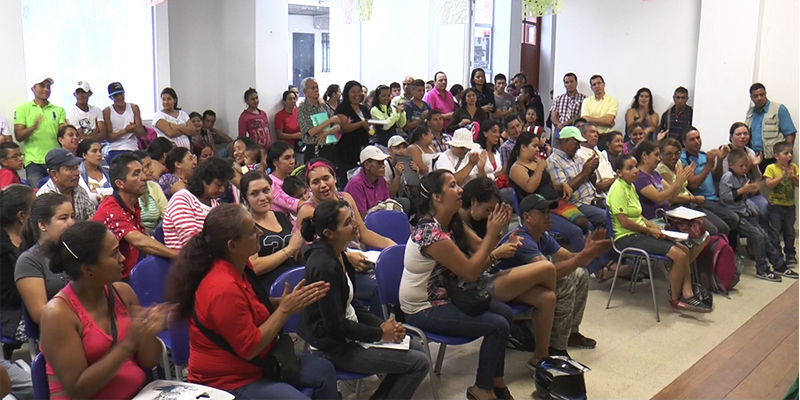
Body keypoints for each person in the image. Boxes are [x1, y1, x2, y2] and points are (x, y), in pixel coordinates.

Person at [401, 170, 557, 400]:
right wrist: (494, 238)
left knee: (504, 313)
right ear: (437, 197)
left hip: (450, 296)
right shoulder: (429, 234)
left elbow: (482, 249)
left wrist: (499, 235)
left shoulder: (451, 222)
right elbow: (471, 271)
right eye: (453, 185)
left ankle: (496, 380)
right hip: (424, 308)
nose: (460, 189)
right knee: (497, 326)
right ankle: (482, 390)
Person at [165, 204, 337, 399]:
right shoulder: (221, 287)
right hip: (227, 382)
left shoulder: (240, 263)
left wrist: (287, 301)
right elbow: (249, 348)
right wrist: (284, 311)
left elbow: (252, 305)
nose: (260, 233)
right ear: (232, 245)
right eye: (252, 232)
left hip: (258, 364)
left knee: (324, 370)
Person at [298, 200, 430, 400]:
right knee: (419, 362)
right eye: (347, 223)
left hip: (347, 335)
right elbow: (335, 326)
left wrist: (384, 327)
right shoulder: (325, 267)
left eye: (352, 218)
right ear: (329, 234)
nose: (355, 224)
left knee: (417, 347)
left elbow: (351, 303)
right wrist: (379, 333)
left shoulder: (339, 254)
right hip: (334, 348)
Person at [39, 221, 169, 399]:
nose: (122, 258)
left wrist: (148, 332)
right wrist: (129, 342)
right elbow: (78, 389)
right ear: (88, 269)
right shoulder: (58, 314)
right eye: (114, 254)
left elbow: (148, 360)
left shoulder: (123, 293)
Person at [496, 194, 611, 355]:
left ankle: (570, 332)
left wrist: (590, 252)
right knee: (566, 282)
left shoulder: (542, 237)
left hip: (526, 289)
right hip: (505, 295)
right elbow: (548, 273)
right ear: (527, 217)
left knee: (580, 274)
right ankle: (556, 347)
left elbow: (575, 260)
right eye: (542, 212)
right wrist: (582, 256)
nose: (549, 216)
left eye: (549, 211)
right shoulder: (522, 239)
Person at [608, 154, 711, 312]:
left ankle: (687, 292)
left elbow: (637, 215)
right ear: (619, 172)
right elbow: (625, 222)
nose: (635, 171)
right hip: (627, 237)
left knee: (684, 249)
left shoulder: (630, 185)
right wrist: (649, 230)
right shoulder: (618, 189)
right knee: (679, 255)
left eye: (635, 166)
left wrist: (654, 227)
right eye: (630, 168)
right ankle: (675, 299)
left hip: (640, 232)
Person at [297, 159, 395, 314]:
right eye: (315, 182)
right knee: (383, 288)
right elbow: (311, 251)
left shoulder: (346, 198)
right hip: (335, 270)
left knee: (396, 275)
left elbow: (363, 233)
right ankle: (377, 331)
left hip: (362, 259)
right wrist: (347, 258)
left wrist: (392, 246)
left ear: (335, 178)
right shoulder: (309, 211)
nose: (323, 185)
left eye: (326, 178)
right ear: (309, 187)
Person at [93, 153, 177, 280]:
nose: (144, 177)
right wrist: (177, 255)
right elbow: (139, 241)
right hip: (114, 280)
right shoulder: (110, 209)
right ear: (120, 184)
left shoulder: (132, 203)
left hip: (131, 272)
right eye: (136, 174)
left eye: (142, 172)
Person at [720, 149, 794, 280]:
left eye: (745, 166)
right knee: (757, 236)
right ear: (731, 165)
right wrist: (744, 190)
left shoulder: (743, 177)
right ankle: (762, 268)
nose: (744, 169)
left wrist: (753, 189)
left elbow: (746, 194)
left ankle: (778, 264)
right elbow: (725, 197)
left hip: (745, 211)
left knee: (764, 235)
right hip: (734, 214)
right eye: (741, 166)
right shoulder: (728, 177)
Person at [14, 194, 73, 338]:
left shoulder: (76, 251)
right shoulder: (29, 261)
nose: (71, 223)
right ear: (42, 225)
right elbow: (41, 314)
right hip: (58, 333)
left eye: (72, 216)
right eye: (63, 218)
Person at [239, 171, 304, 290]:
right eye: (254, 194)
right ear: (245, 198)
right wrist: (289, 249)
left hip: (297, 283)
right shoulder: (245, 224)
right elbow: (254, 266)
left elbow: (295, 252)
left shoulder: (281, 217)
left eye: (266, 190)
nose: (263, 198)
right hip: (269, 291)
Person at [656, 139, 725, 235]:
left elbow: (684, 188)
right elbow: (673, 197)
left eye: (677, 153)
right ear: (661, 155)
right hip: (676, 206)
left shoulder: (678, 163)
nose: (674, 157)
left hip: (688, 202)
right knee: (712, 230)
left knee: (722, 226)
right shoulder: (661, 169)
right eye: (669, 154)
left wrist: (693, 199)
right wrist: (694, 199)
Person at [163, 157, 234, 250]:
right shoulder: (182, 199)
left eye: (225, 186)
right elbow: (191, 242)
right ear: (204, 180)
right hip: (187, 260)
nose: (222, 190)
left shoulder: (215, 205)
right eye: (218, 185)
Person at [546, 127, 606, 230]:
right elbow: (564, 191)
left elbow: (593, 183)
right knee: (606, 217)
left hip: (594, 197)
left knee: (618, 211)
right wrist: (584, 173)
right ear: (566, 141)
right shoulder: (553, 161)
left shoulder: (576, 157)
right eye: (576, 143)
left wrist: (592, 170)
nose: (579, 147)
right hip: (578, 203)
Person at [681, 128, 738, 235]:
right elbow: (693, 185)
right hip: (701, 200)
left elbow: (716, 178)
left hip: (715, 198)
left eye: (698, 138)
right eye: (692, 139)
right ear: (684, 143)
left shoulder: (703, 155)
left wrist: (720, 160)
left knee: (735, 218)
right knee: (731, 220)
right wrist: (709, 164)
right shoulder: (683, 159)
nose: (697, 142)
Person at [14, 76, 67, 188]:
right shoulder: (23, 109)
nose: (46, 89)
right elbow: (19, 136)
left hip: (55, 160)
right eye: (42, 86)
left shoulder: (59, 110)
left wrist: (66, 129)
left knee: (58, 193)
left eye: (48, 86)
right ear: (33, 88)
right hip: (34, 161)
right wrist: (33, 127)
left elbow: (63, 132)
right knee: (37, 195)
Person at [0, 185, 34, 342]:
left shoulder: (35, 236)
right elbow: (7, 296)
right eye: (35, 207)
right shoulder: (3, 249)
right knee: (60, 328)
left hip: (40, 302)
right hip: (12, 314)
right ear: (21, 216)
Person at [723, 122, 769, 226]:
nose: (743, 137)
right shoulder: (726, 152)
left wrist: (755, 167)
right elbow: (725, 177)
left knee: (766, 208)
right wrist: (750, 165)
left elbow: (758, 177)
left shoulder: (750, 152)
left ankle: (763, 238)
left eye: (745, 134)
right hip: (735, 194)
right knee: (754, 211)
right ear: (731, 137)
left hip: (751, 192)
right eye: (739, 134)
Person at [746, 83, 796, 171]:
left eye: (762, 95)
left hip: (774, 159)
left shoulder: (778, 109)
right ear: (751, 97)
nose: (759, 98)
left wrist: (787, 156)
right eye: (755, 96)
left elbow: (790, 134)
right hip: (755, 158)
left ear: (766, 94)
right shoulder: (751, 112)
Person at [764, 141, 799, 267]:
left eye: (791, 153)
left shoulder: (793, 167)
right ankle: (776, 256)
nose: (790, 156)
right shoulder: (771, 168)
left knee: (789, 232)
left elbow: (798, 184)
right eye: (786, 153)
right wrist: (781, 177)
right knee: (774, 232)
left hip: (790, 206)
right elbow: (768, 185)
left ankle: (790, 255)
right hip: (775, 206)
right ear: (777, 156)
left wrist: (794, 177)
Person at [38, 149, 95, 222]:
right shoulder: (44, 198)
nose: (77, 173)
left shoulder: (80, 190)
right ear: (54, 174)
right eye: (70, 169)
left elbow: (92, 216)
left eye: (76, 168)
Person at [298, 78, 342, 165]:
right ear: (305, 91)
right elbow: (311, 131)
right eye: (313, 88)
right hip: (314, 149)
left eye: (317, 87)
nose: (316, 90)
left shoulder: (323, 106)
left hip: (329, 147)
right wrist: (330, 120)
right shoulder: (303, 109)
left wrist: (327, 132)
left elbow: (338, 124)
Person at [335, 80, 372, 184]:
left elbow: (369, 123)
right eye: (353, 92)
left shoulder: (364, 108)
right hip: (346, 150)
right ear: (347, 93)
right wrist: (361, 124)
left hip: (362, 148)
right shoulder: (343, 108)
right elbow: (343, 127)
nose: (357, 94)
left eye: (359, 91)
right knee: (348, 180)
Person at [343, 146, 394, 219]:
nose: (384, 166)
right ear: (367, 165)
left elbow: (388, 204)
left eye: (383, 162)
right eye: (379, 162)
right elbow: (362, 218)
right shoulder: (356, 184)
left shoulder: (381, 180)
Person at [103, 82, 146, 163]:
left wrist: (135, 129)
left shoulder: (134, 108)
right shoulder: (107, 111)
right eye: (116, 95)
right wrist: (125, 131)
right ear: (111, 97)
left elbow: (141, 133)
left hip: (132, 147)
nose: (119, 97)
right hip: (114, 148)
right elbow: (109, 138)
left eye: (121, 94)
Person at [131, 150, 168, 236]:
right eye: (147, 167)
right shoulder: (130, 190)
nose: (151, 170)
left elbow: (166, 215)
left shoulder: (154, 186)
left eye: (151, 165)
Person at [575, 122, 616, 197]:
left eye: (597, 133)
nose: (596, 135)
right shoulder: (579, 155)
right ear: (583, 135)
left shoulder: (601, 153)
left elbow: (612, 175)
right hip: (599, 197)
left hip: (613, 190)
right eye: (592, 132)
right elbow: (595, 186)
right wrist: (615, 179)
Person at [580, 75, 618, 150]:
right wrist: (604, 121)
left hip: (606, 137)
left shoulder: (612, 100)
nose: (597, 86)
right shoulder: (587, 101)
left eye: (599, 83)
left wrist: (590, 119)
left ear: (604, 84)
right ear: (591, 88)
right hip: (590, 138)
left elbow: (608, 120)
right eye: (594, 85)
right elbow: (585, 120)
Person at [550, 73, 587, 144]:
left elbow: (580, 116)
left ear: (576, 83)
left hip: (574, 131)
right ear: (564, 84)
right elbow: (553, 115)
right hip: (559, 130)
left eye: (571, 81)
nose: (569, 84)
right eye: (567, 82)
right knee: (557, 152)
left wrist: (564, 124)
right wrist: (559, 125)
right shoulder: (558, 98)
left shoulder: (583, 99)